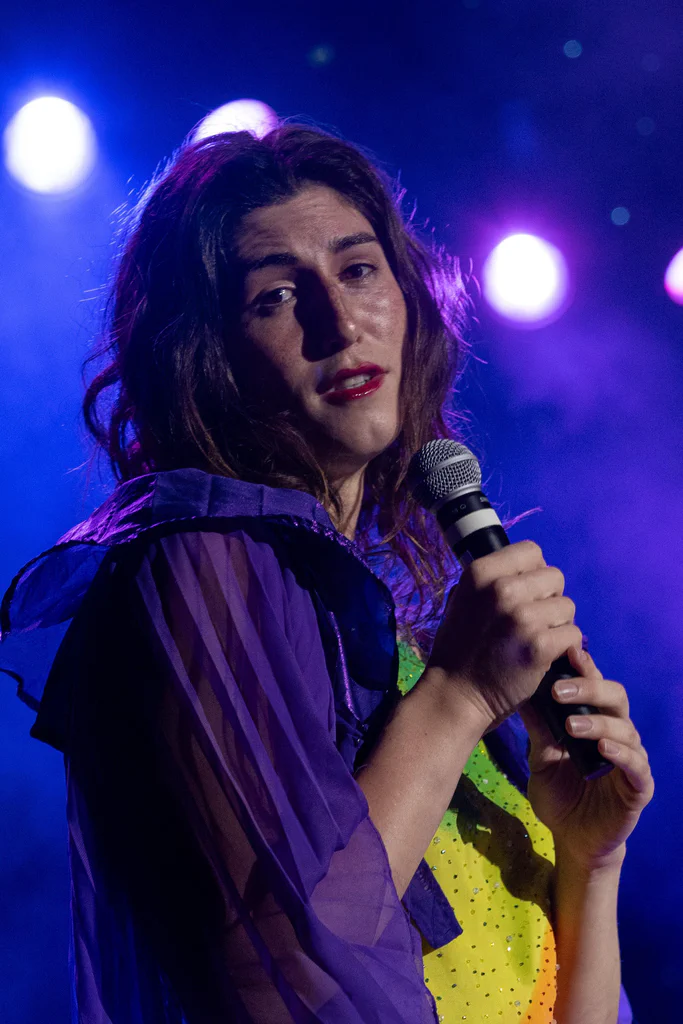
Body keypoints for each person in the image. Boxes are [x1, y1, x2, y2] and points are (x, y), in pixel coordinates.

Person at [0, 124, 653, 1024]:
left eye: (357, 270)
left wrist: (590, 860)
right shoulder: (198, 564)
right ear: (204, 351)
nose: (341, 324)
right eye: (274, 296)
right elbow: (283, 962)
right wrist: (460, 696)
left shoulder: (405, 648)